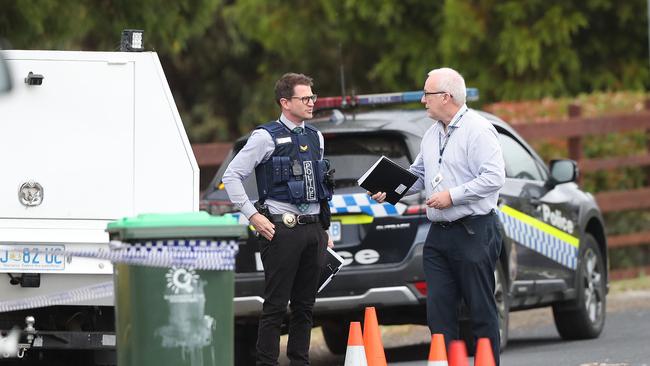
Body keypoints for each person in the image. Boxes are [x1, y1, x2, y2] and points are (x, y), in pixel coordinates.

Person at [371, 67, 505, 364]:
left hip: (474, 230)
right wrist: (390, 190)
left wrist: (452, 196)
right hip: (439, 237)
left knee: (480, 311)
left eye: (427, 94)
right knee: (439, 313)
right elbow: (419, 175)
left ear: (446, 97)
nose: (423, 100)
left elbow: (495, 178)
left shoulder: (478, 129)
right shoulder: (432, 134)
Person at [223, 72, 334, 366]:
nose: (312, 102)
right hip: (281, 231)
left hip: (314, 230)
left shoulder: (315, 136)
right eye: (305, 98)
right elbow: (231, 176)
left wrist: (326, 227)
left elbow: (320, 184)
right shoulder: (264, 136)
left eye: (313, 96)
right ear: (285, 102)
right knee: (274, 307)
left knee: (305, 307)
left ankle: (300, 361)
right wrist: (253, 215)